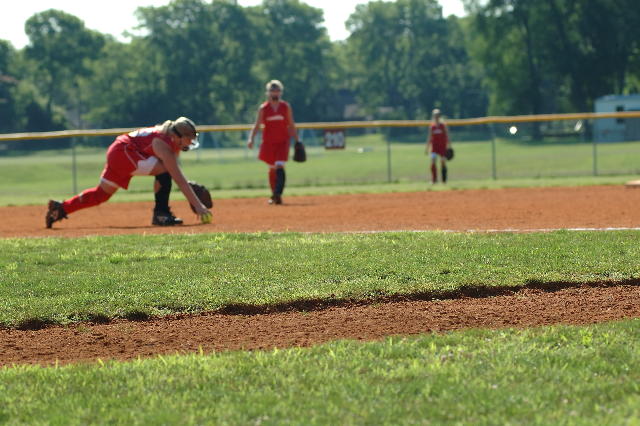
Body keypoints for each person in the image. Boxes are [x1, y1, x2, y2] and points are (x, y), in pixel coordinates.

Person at [45, 117, 212, 228]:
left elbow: (177, 176)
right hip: (124, 153)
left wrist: (188, 188)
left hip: (119, 151)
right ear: (177, 136)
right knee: (165, 170)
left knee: (101, 194)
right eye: (189, 138)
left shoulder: (170, 142)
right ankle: (161, 214)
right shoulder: (163, 143)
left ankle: (61, 209)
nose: (191, 142)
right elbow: (178, 178)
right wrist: (199, 206)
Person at [247, 80, 300, 204]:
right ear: (268, 93)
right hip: (269, 143)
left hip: (283, 142)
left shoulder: (285, 107)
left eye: (277, 90)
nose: (275, 93)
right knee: (272, 169)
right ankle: (274, 194)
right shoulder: (264, 108)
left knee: (279, 166)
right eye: (272, 90)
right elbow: (257, 125)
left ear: (281, 92)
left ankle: (278, 194)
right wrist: (251, 138)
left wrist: (297, 140)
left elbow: (291, 124)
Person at [426, 108, 451, 184]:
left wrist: (449, 146)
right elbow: (429, 137)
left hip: (442, 146)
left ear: (440, 116)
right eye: (435, 115)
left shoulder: (443, 126)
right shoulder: (432, 126)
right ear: (433, 116)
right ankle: (434, 180)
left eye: (437, 115)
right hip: (434, 147)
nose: (436, 117)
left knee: (443, 162)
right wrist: (427, 148)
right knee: (433, 161)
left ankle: (444, 180)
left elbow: (447, 136)